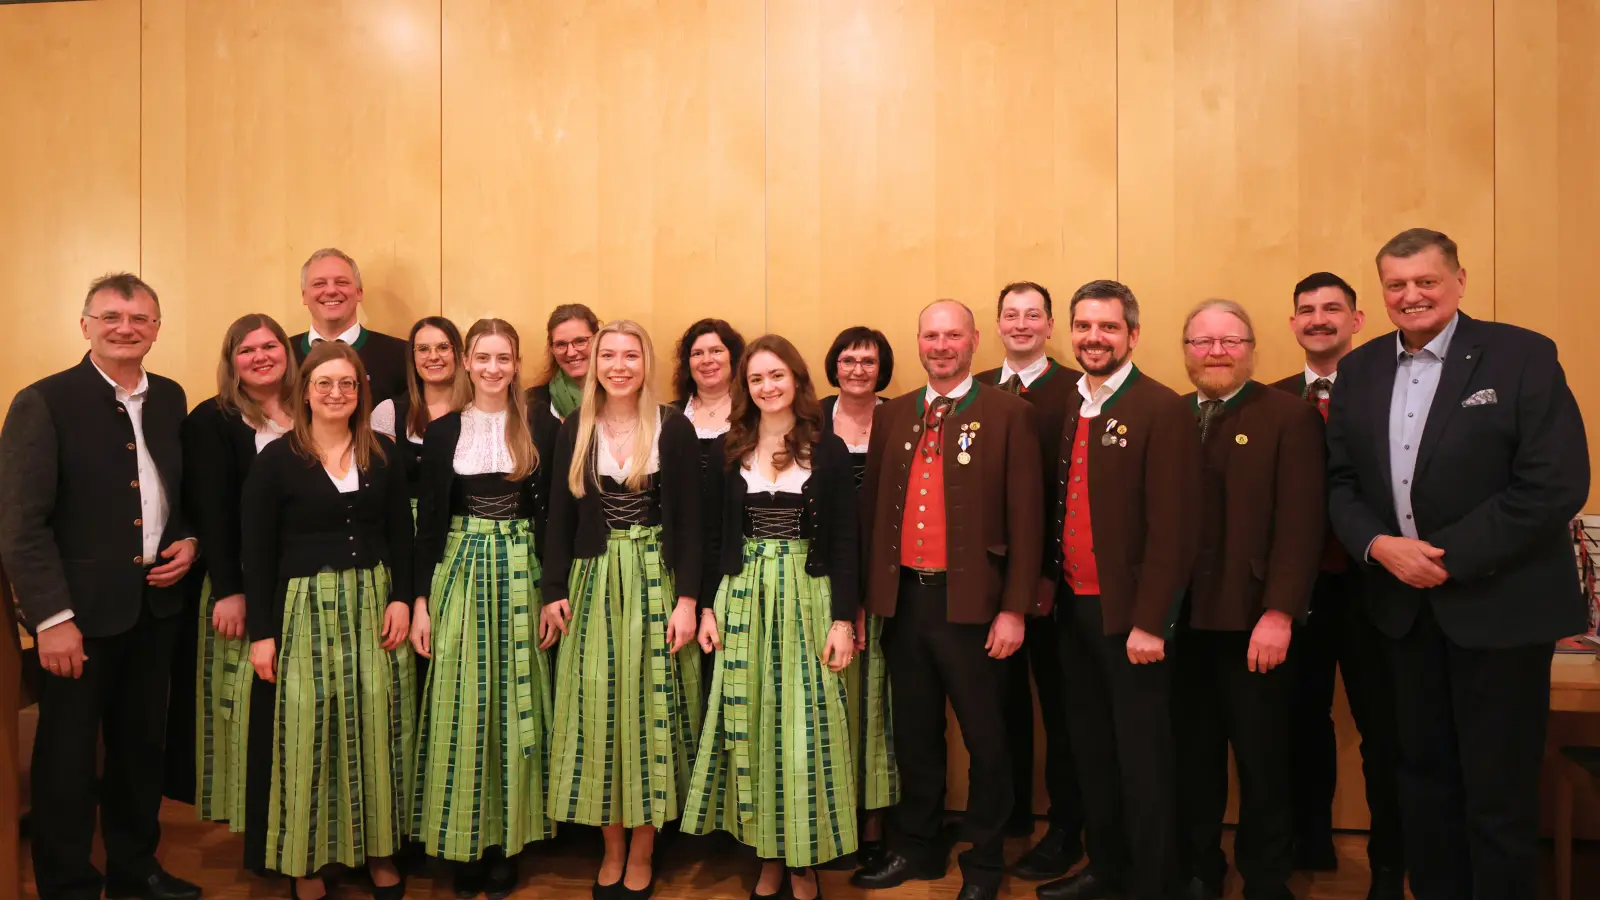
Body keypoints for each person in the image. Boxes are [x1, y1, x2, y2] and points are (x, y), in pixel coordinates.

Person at [1326, 228, 1590, 900]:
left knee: (1498, 790)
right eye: (1396, 284)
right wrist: (1379, 546)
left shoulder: (1522, 355)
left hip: (1500, 610)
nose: (1411, 295)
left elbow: (1554, 483)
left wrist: (1446, 558)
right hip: (1402, 612)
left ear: (1460, 281)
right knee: (1422, 782)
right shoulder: (1359, 370)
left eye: (1426, 281)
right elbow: (1340, 483)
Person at [0, 273, 202, 900]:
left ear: (156, 329)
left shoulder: (170, 397)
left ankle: (135, 869)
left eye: (140, 318)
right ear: (85, 325)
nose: (125, 328)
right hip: (78, 619)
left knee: (140, 753)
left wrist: (188, 539)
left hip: (155, 608)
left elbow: (174, 493)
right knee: (65, 761)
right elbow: (21, 524)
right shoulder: (44, 401)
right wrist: (52, 618)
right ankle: (68, 884)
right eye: (111, 316)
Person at [851, 300, 1042, 900]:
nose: (941, 345)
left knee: (987, 739)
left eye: (952, 335)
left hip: (976, 607)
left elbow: (1029, 521)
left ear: (974, 340)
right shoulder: (894, 413)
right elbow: (871, 512)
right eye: (931, 335)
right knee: (914, 733)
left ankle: (984, 862)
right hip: (905, 601)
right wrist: (865, 599)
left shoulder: (1010, 414)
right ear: (918, 342)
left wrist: (1014, 609)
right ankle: (919, 848)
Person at [1036, 280, 1200, 900]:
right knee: (1092, 750)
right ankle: (1105, 869)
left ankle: (1154, 882)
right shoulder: (1071, 404)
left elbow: (1175, 529)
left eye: (1107, 327)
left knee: (1144, 758)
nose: (1094, 338)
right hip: (1075, 611)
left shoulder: (1161, 408)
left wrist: (1152, 621)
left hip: (1133, 620)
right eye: (1083, 326)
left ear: (1132, 334)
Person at [682, 334, 862, 900]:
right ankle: (766, 853)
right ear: (746, 386)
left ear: (797, 380)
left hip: (809, 597)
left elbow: (846, 541)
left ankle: (802, 859)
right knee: (751, 723)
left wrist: (843, 620)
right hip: (743, 597)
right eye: (756, 378)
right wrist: (706, 606)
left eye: (777, 375)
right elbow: (715, 538)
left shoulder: (828, 449)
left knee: (806, 729)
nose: (767, 387)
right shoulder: (728, 448)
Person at [241, 341, 416, 900]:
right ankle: (306, 860)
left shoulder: (381, 454)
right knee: (308, 733)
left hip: (373, 603)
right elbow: (256, 551)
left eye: (347, 383)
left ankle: (380, 851)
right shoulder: (276, 460)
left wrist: (402, 598)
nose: (336, 393)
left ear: (361, 392)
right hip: (304, 608)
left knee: (376, 727)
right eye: (324, 383)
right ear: (306, 392)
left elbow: (401, 534)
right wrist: (262, 634)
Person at [539, 320, 705, 899]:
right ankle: (610, 847)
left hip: (655, 578)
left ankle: (643, 849)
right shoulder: (574, 428)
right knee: (598, 711)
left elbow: (691, 522)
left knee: (651, 711)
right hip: (591, 580)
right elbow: (558, 517)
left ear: (645, 362)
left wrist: (689, 599)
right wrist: (552, 588)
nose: (618, 366)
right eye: (608, 355)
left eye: (630, 355)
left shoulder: (673, 427)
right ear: (594, 364)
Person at [1170, 300, 1325, 900]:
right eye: (1202, 342)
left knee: (1264, 760)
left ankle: (1265, 878)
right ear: (1185, 351)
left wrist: (1280, 612)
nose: (1216, 352)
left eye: (1230, 341)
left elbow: (1302, 525)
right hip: (1181, 624)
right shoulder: (1171, 415)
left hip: (1255, 623)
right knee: (1192, 758)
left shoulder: (1289, 416)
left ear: (1252, 348)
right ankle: (1199, 867)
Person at [1271, 272, 1404, 899]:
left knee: (1386, 731)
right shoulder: (1272, 400)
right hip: (1297, 593)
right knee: (1299, 723)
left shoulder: (1392, 392)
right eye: (1306, 310)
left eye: (1332, 308)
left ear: (1357, 320)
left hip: (1376, 588)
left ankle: (1389, 866)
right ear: (1292, 323)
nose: (1318, 319)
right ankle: (1310, 841)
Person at [410, 319, 552, 898]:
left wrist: (554, 591)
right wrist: (420, 601)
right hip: (461, 570)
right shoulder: (444, 430)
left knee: (515, 702)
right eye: (483, 357)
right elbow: (428, 525)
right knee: (463, 702)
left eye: (504, 358)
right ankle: (465, 840)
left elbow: (552, 518)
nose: (494, 368)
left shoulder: (540, 425)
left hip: (522, 572)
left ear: (516, 365)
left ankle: (507, 842)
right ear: (467, 363)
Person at [166, 314, 295, 846]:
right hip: (239, 581)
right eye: (247, 350)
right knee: (243, 704)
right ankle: (254, 819)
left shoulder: (311, 407)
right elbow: (212, 513)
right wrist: (229, 591)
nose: (261, 357)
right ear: (231, 361)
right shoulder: (212, 420)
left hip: (301, 581)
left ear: (287, 352)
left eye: (270, 346)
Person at [973, 282, 1086, 879]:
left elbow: (1070, 492)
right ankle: (1009, 814)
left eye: (1032, 315)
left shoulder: (1076, 390)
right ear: (996, 325)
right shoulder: (975, 389)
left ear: (1049, 326)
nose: (1021, 324)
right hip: (985, 584)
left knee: (1063, 709)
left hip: (1054, 583)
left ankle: (1066, 826)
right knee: (999, 705)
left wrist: (1045, 574)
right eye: (1010, 315)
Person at [819, 326, 900, 869]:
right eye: (848, 360)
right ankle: (831, 815)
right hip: (822, 573)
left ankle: (874, 821)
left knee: (877, 698)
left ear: (882, 368)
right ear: (834, 365)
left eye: (868, 361)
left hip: (885, 571)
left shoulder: (899, 418)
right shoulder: (811, 420)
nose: (857, 370)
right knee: (831, 697)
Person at [288, 247, 410, 403]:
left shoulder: (401, 356)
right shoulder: (284, 357)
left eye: (342, 282)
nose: (331, 290)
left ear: (359, 292)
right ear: (304, 296)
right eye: (319, 284)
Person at [371, 316, 471, 502]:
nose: (433, 356)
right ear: (413, 357)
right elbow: (380, 483)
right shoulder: (390, 412)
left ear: (458, 354)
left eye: (443, 347)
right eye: (423, 349)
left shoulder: (477, 410)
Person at [527, 303, 601, 455]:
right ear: (552, 349)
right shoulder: (532, 403)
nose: (571, 352)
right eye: (561, 344)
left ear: (598, 340)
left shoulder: (619, 399)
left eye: (580, 341)